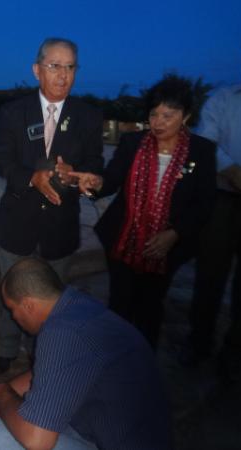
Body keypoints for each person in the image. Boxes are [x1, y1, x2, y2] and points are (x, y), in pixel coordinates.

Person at [0, 257, 172, 450]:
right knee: (17, 414)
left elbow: (37, 440)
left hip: (114, 441)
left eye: (12, 309)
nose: (13, 317)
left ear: (28, 305)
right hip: (114, 430)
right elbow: (50, 374)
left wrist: (0, 393)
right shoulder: (75, 305)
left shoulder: (62, 332)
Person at [71, 75, 216, 349]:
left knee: (151, 306)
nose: (158, 122)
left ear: (185, 117)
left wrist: (174, 234)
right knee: (119, 304)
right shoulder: (133, 142)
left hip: (168, 247)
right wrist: (94, 183)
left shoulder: (201, 151)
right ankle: (112, 361)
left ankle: (143, 362)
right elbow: (111, 179)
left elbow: (205, 202)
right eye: (153, 114)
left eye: (168, 115)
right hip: (122, 238)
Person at [0, 37, 103, 374]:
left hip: (60, 225)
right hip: (16, 221)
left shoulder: (89, 116)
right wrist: (30, 177)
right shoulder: (13, 111)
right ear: (37, 70)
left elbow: (96, 166)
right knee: (9, 289)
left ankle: (43, 353)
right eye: (55, 66)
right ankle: (6, 348)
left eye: (70, 67)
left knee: (53, 299)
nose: (62, 75)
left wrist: (83, 179)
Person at [185, 34, 241, 382]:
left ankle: (235, 352)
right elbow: (205, 144)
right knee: (209, 277)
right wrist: (239, 175)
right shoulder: (223, 99)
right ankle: (199, 344)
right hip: (223, 201)